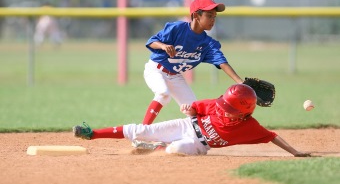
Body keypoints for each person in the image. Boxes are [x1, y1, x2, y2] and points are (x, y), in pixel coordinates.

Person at [73, 84, 311, 157]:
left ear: (244, 113)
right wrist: (188, 109)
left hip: (199, 145)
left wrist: (295, 152)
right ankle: (91, 132)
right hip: (186, 125)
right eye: (224, 104)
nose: (223, 108)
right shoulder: (216, 104)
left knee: (175, 150)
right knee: (141, 130)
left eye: (229, 108)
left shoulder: (251, 128)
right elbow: (195, 109)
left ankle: (159, 147)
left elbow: (272, 137)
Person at [141, 0, 243, 125]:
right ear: (196, 15)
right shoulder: (177, 28)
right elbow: (151, 42)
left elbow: (222, 63)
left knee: (194, 110)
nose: (213, 20)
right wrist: (163, 45)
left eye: (214, 17)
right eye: (209, 15)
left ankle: (188, 141)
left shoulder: (208, 43)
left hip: (175, 76)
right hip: (156, 70)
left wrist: (241, 82)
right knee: (163, 94)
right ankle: (141, 132)